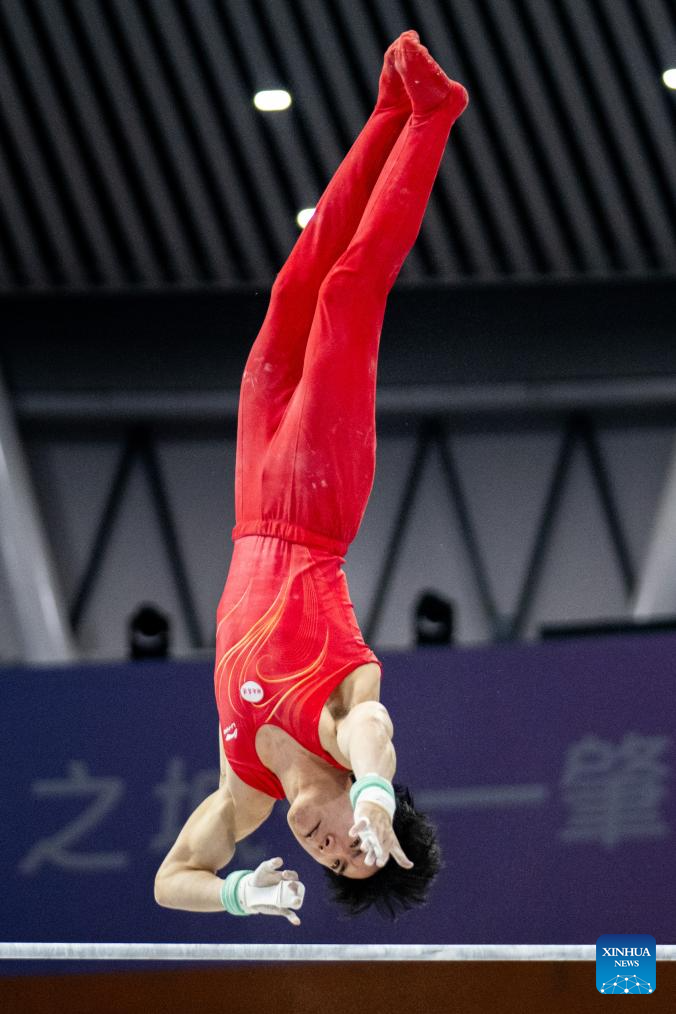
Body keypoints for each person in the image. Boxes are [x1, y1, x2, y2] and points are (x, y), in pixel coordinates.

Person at [155, 30, 468, 925]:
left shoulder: (244, 788)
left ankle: (386, 113)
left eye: (330, 858)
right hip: (318, 499)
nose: (324, 843)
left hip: (253, 500)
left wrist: (233, 893)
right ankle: (431, 118)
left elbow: (168, 877)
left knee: (297, 283)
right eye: (349, 837)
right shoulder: (344, 724)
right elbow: (376, 732)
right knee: (347, 293)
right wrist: (372, 787)